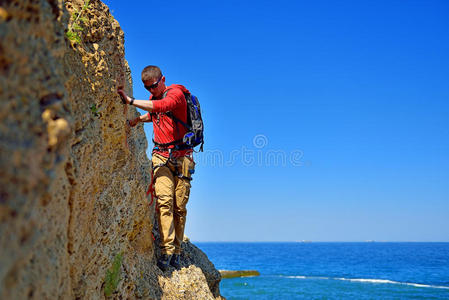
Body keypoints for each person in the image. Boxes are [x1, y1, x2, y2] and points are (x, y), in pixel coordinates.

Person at [117, 65, 195, 271]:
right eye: (147, 88)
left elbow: (162, 107)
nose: (151, 91)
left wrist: (132, 101)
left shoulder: (176, 94)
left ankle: (177, 251)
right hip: (161, 156)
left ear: (163, 80)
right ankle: (166, 250)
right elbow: (154, 115)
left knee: (180, 207)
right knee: (164, 201)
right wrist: (136, 120)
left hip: (183, 158)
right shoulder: (153, 99)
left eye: (153, 86)